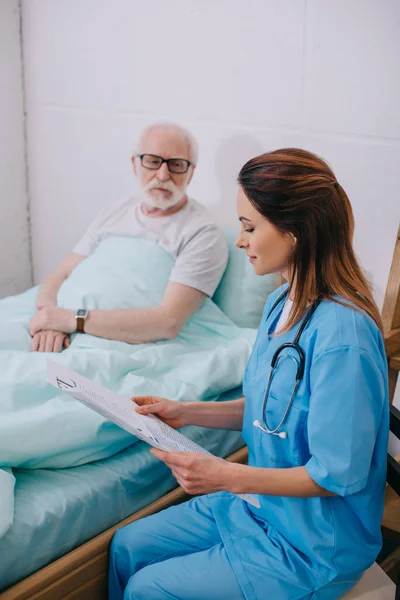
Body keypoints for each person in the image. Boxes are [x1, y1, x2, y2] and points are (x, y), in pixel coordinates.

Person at [108, 148, 389, 599]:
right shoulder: (281, 302)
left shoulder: (343, 338)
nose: (240, 240)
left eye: (249, 226)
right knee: (128, 547)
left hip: (312, 544)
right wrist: (185, 411)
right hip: (262, 509)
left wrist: (224, 476)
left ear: (296, 230)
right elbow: (269, 410)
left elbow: (337, 475)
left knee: (148, 589)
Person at [29, 122, 228, 351]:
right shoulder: (115, 211)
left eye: (176, 165)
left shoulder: (202, 233)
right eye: (153, 161)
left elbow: (168, 322)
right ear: (135, 164)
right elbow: (61, 273)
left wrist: (71, 320)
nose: (163, 175)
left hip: (123, 341)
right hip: (59, 326)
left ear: (191, 171)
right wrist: (48, 320)